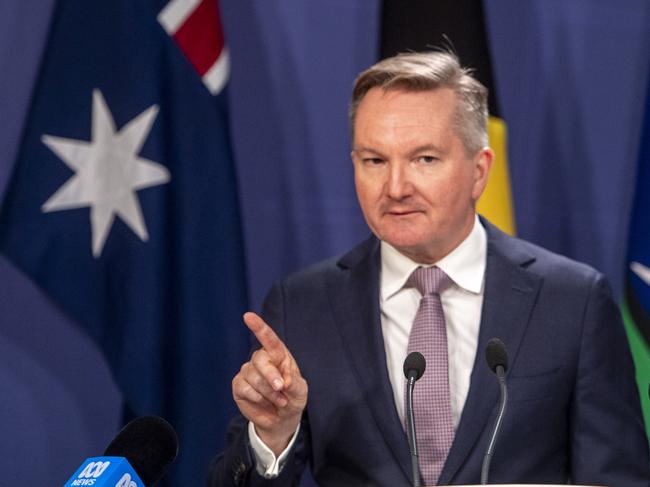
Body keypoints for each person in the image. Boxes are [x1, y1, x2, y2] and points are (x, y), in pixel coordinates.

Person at [207, 52, 649, 486]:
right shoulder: (302, 305)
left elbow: (619, 476)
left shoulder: (573, 301)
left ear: (480, 171)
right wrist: (272, 434)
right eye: (374, 161)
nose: (396, 188)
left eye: (425, 159)